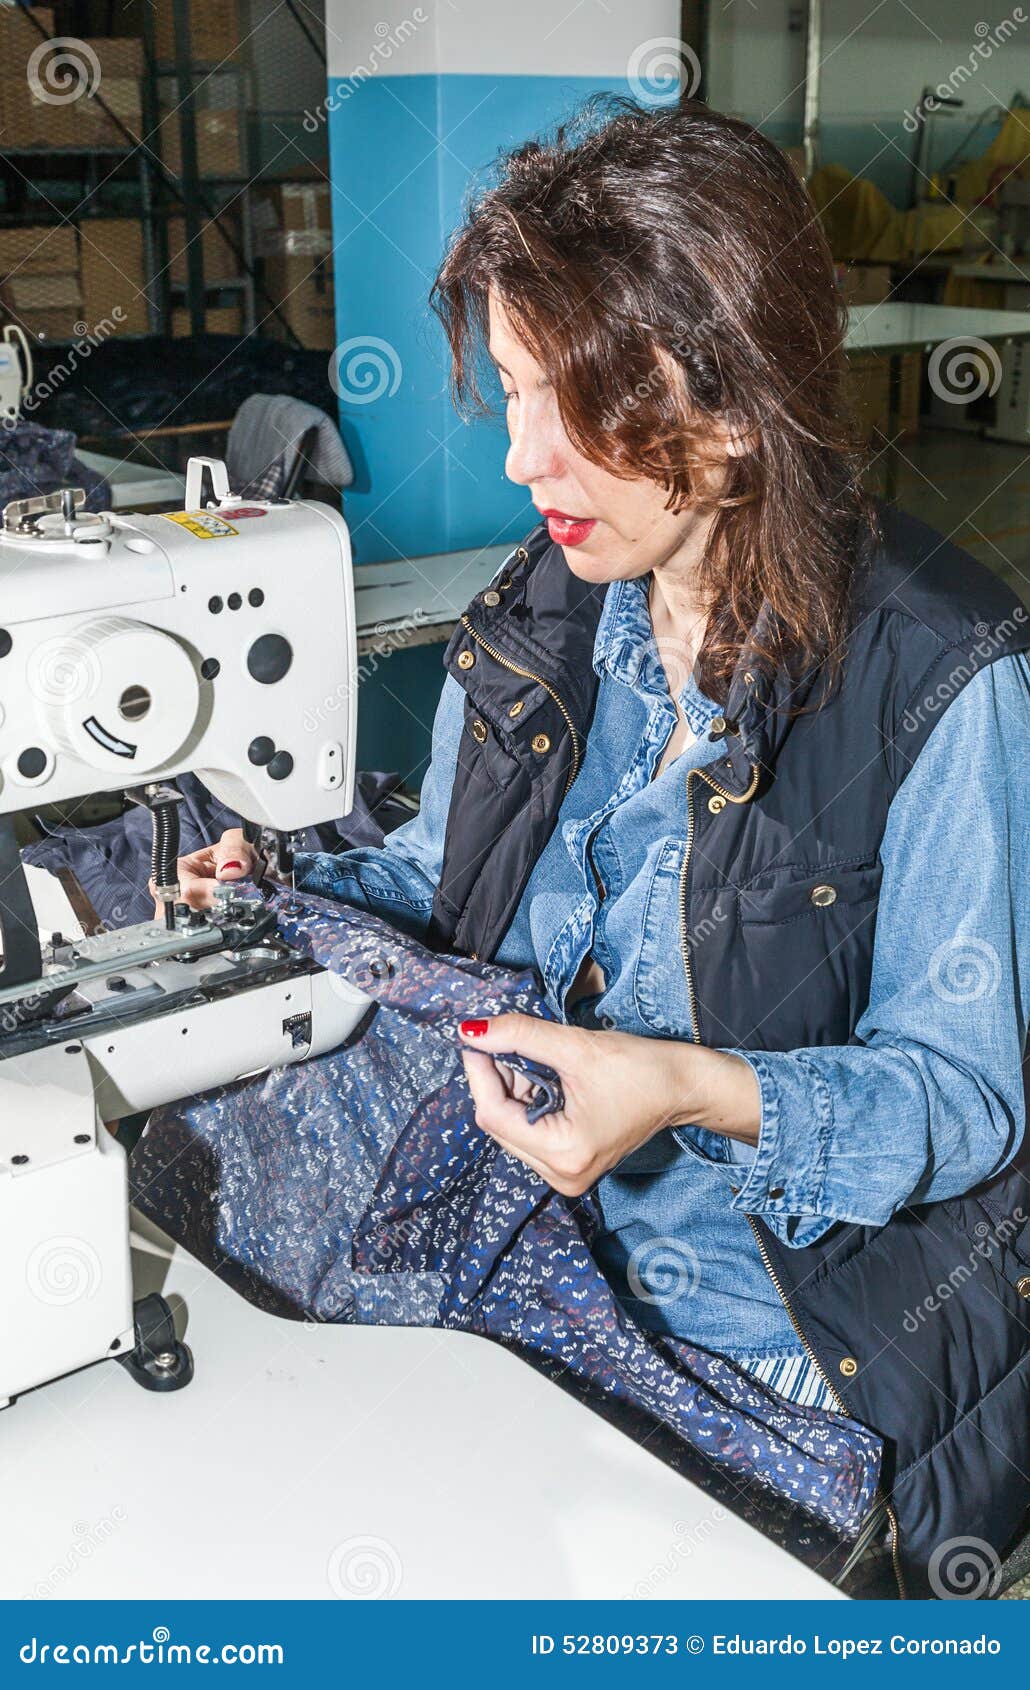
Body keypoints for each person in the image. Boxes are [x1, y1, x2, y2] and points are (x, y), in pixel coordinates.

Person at [170, 99, 1030, 1594]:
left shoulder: (946, 674)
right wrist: (282, 882)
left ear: (737, 396)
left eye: (566, 409)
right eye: (506, 395)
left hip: (774, 1347)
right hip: (531, 1267)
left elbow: (962, 1102)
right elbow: (444, 878)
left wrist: (690, 1090)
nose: (519, 459)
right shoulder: (550, 610)